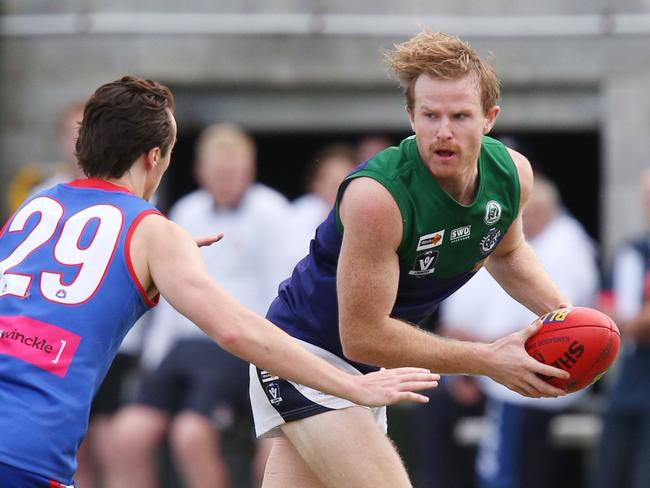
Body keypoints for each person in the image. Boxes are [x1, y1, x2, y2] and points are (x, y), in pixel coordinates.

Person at [0, 75, 439, 488]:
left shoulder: (36, 207)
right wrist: (349, 385)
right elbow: (234, 328)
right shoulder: (152, 229)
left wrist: (156, 257)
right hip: (26, 446)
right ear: (155, 157)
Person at [248, 31, 572, 488]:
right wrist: (488, 360)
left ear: (489, 119)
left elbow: (508, 251)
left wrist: (565, 318)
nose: (443, 131)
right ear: (410, 116)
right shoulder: (377, 197)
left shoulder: (512, 174)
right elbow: (361, 334)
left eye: (460, 116)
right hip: (303, 357)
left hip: (365, 374)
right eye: (430, 115)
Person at [105, 123, 295, 488]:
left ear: (250, 170)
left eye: (234, 171)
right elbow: (167, 289)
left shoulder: (271, 211)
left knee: (190, 435)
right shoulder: (187, 210)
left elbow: (282, 289)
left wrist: (276, 361)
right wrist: (154, 356)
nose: (226, 180)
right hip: (183, 346)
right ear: (200, 171)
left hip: (234, 344)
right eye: (218, 171)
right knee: (125, 437)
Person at [412, 175, 599, 488]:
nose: (529, 218)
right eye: (525, 212)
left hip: (533, 372)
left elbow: (557, 328)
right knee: (431, 405)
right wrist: (466, 368)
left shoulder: (566, 247)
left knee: (510, 470)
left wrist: (476, 356)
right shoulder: (495, 243)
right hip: (484, 368)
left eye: (535, 212)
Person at [590, 168, 650, 488]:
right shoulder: (629, 252)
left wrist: (630, 322)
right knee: (608, 474)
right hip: (627, 386)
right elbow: (604, 317)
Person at [290, 143, 357, 258]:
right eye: (332, 184)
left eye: (344, 183)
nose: (337, 192)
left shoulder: (366, 215)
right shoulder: (298, 215)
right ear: (315, 184)